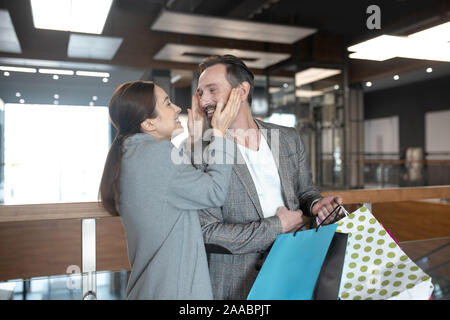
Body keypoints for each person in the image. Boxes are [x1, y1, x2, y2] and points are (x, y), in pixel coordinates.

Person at [193, 55, 344, 300]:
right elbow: (207, 232)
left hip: (295, 271)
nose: (204, 101)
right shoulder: (199, 152)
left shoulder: (286, 137)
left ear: (241, 91)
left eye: (212, 90)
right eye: (200, 93)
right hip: (236, 285)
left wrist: (316, 204)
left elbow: (305, 191)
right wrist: (277, 226)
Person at [98, 80, 241, 299]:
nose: (176, 108)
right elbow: (214, 191)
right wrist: (220, 133)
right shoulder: (157, 155)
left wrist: (193, 140)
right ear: (148, 123)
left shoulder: (132, 153)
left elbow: (171, 185)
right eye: (167, 103)